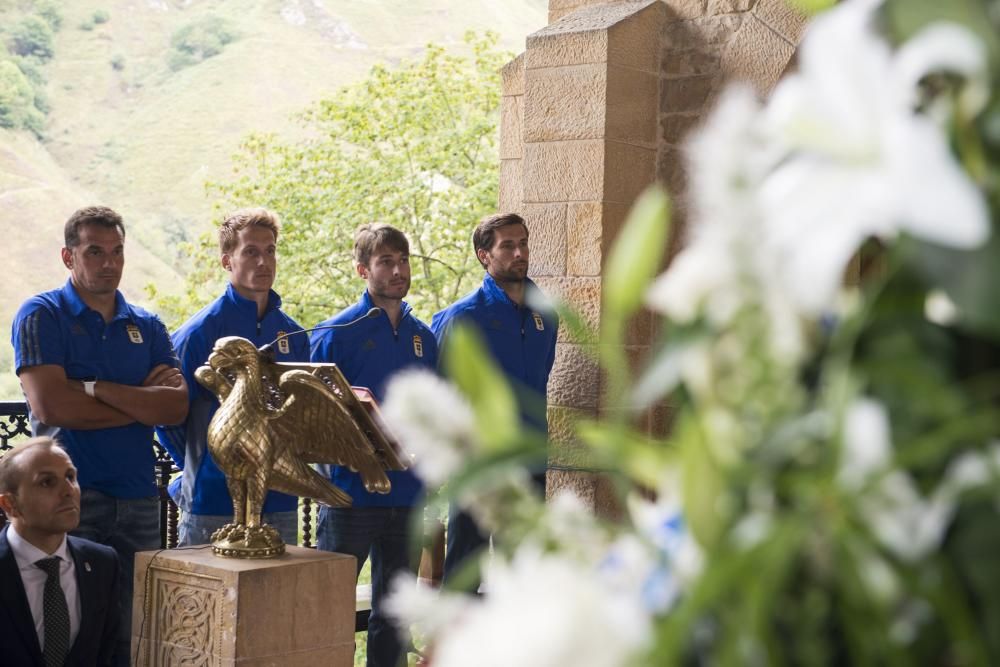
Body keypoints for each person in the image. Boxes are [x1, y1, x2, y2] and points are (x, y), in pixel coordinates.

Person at [10, 205, 188, 665]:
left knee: (135, 628)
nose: (108, 262)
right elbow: (52, 406)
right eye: (94, 252)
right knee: (61, 628)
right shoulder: (41, 315)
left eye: (117, 252)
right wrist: (138, 404)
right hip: (66, 493)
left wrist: (95, 390)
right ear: (69, 257)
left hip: (138, 498)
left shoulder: (146, 324)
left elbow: (174, 406)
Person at [310, 223, 438, 667]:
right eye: (386, 261)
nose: (398, 270)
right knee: (327, 607)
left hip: (409, 495)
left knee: (396, 614)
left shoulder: (425, 336)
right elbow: (314, 420)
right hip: (352, 496)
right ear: (363, 269)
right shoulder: (335, 333)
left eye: (403, 260)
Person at [156, 208, 309, 546]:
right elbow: (167, 421)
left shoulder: (295, 335)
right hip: (213, 500)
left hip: (281, 499)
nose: (263, 261)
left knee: (277, 596)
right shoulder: (198, 333)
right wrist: (212, 463)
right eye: (250, 252)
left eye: (270, 251)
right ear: (227, 261)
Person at [431, 213, 557, 587]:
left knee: (522, 567)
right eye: (507, 245)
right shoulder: (461, 317)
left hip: (530, 458)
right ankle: (454, 644)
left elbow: (541, 376)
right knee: (465, 569)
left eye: (523, 243)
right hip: (478, 463)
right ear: (484, 256)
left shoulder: (545, 315)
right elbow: (440, 392)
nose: (520, 252)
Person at [0, 437, 121, 667]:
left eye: (70, 477)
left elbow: (106, 653)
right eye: (47, 482)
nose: (68, 490)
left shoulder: (103, 563)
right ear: (9, 505)